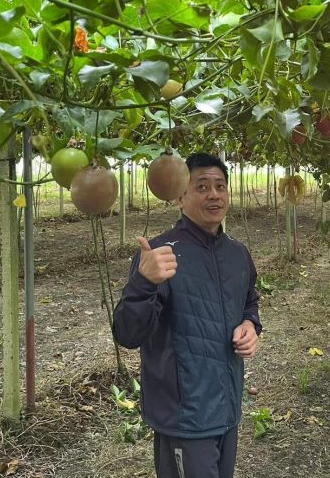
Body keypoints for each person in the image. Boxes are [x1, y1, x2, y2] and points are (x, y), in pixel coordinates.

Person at [113, 152, 261, 478]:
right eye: (202, 186)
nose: (214, 194)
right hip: (186, 417)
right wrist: (143, 282)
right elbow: (128, 334)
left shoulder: (237, 254)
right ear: (180, 197)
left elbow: (249, 300)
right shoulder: (160, 255)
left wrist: (250, 325)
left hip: (227, 408)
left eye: (220, 186)